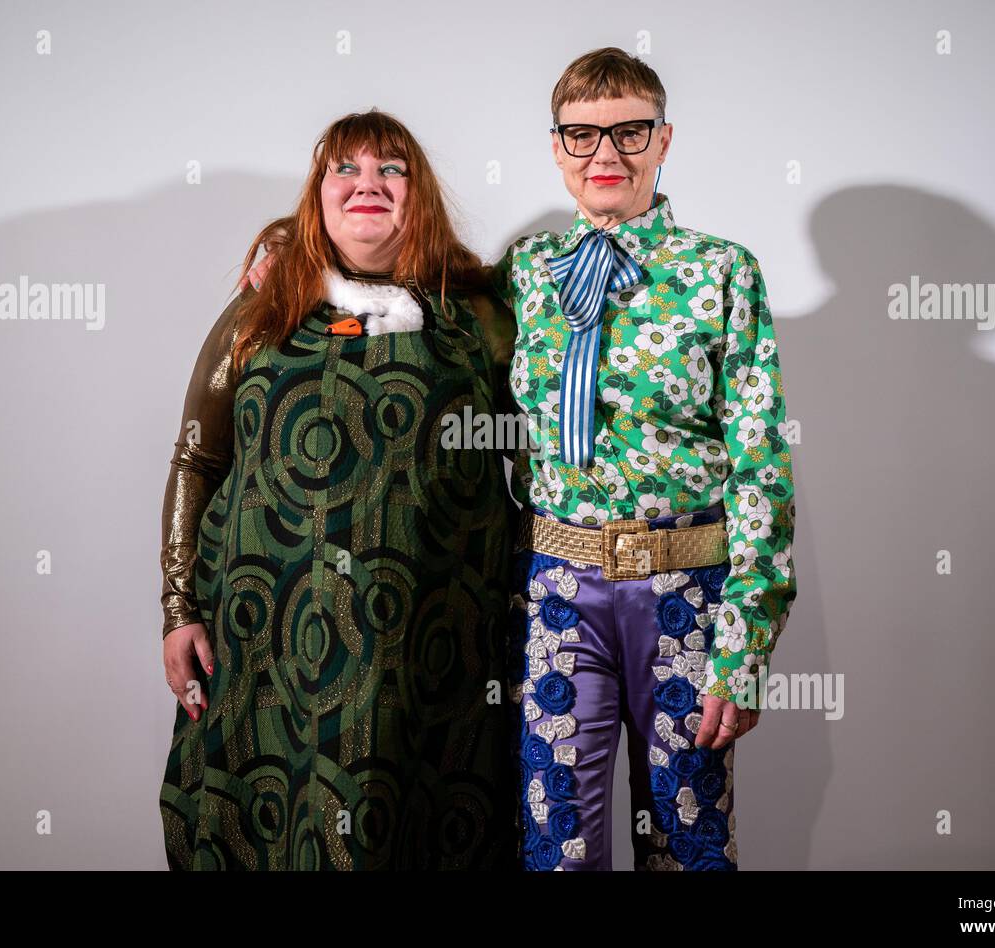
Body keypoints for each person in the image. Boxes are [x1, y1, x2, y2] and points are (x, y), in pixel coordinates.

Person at [158, 109, 519, 870]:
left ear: (418, 193)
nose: (368, 184)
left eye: (392, 168)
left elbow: (538, 453)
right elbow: (198, 460)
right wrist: (178, 606)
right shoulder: (260, 310)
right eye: (344, 169)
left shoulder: (481, 315)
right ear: (316, 193)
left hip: (431, 652)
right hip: (266, 653)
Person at [489, 48, 798, 871]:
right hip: (557, 592)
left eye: (629, 132)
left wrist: (745, 643)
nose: (606, 155)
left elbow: (762, 466)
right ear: (556, 148)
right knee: (559, 846)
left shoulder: (723, 271)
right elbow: (413, 300)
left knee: (687, 845)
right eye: (582, 136)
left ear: (664, 140)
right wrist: (286, 258)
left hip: (686, 593)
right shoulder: (523, 274)